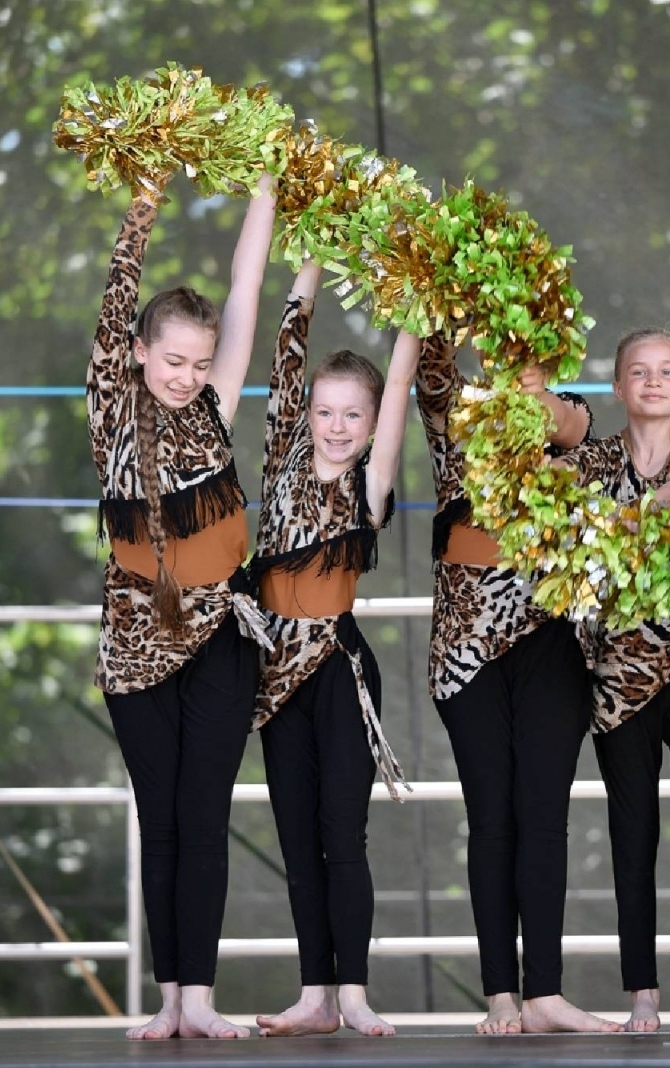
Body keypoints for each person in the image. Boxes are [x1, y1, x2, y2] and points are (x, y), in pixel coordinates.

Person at [88, 177, 277, 1040]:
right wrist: (145, 202)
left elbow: (246, 291)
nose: (186, 376)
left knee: (204, 815)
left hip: (220, 638)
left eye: (200, 363)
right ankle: (168, 1001)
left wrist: (268, 184)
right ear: (135, 351)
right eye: (172, 360)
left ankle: (197, 998)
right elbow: (116, 295)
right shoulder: (110, 408)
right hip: (135, 640)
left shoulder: (213, 406)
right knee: (159, 816)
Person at [416, 337, 623, 1035]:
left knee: (543, 816)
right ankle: (500, 993)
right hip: (467, 648)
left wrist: (532, 390)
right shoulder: (453, 410)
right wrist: (444, 287)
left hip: (549, 639)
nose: (509, 360)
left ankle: (545, 993)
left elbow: (574, 424)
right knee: (492, 819)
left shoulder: (569, 418)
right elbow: (430, 367)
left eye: (526, 350)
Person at [248, 260, 421, 1038]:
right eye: (327, 411)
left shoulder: (368, 488)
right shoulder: (281, 457)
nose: (339, 426)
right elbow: (287, 349)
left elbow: (392, 422)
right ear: (307, 414)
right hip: (274, 679)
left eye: (355, 414)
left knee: (340, 836)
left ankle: (352, 990)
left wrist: (416, 306)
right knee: (295, 837)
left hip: (339, 672)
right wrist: (310, 264)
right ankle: (314, 993)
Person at [557, 328, 670, 1033]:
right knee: (632, 833)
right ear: (618, 387)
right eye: (640, 371)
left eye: (667, 372)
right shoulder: (587, 466)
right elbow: (580, 549)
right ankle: (642, 994)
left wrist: (638, 522)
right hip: (616, 676)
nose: (655, 382)